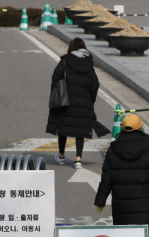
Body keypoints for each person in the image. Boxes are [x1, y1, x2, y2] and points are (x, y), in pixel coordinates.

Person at [94, 114, 149, 237]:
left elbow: (106, 178)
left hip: (121, 201)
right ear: (140, 127)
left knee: (122, 234)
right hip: (143, 199)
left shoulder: (113, 149)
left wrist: (100, 202)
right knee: (143, 232)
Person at [46, 38, 110, 169]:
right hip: (83, 103)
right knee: (80, 132)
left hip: (65, 102)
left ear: (71, 48)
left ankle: (62, 157)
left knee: (62, 129)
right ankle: (78, 160)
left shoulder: (65, 61)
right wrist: (90, 100)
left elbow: (55, 78)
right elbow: (95, 84)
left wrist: (57, 93)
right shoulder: (88, 64)